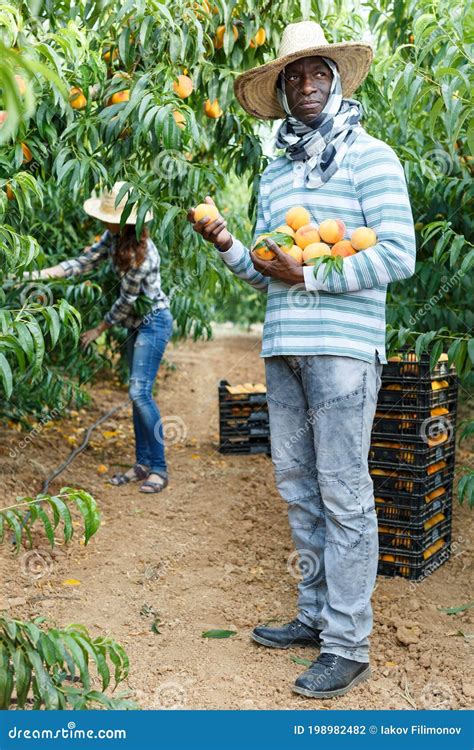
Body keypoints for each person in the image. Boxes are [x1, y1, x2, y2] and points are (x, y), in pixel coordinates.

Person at [188, 21, 416, 698]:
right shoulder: (277, 171)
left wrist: (310, 278)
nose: (308, 85)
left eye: (318, 73)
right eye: (294, 77)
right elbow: (267, 275)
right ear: (283, 91)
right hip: (284, 347)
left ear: (337, 80)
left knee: (344, 494)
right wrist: (229, 241)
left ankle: (348, 644)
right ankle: (315, 615)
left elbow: (398, 254)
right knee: (298, 487)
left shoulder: (371, 157)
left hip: (344, 351)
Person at [28, 182, 173, 494]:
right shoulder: (114, 236)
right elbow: (84, 262)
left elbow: (126, 303)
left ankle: (159, 467)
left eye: (110, 216)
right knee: (137, 394)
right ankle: (142, 464)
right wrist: (40, 275)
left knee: (139, 392)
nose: (103, 221)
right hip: (138, 324)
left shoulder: (142, 256)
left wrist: (98, 330)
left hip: (154, 323)